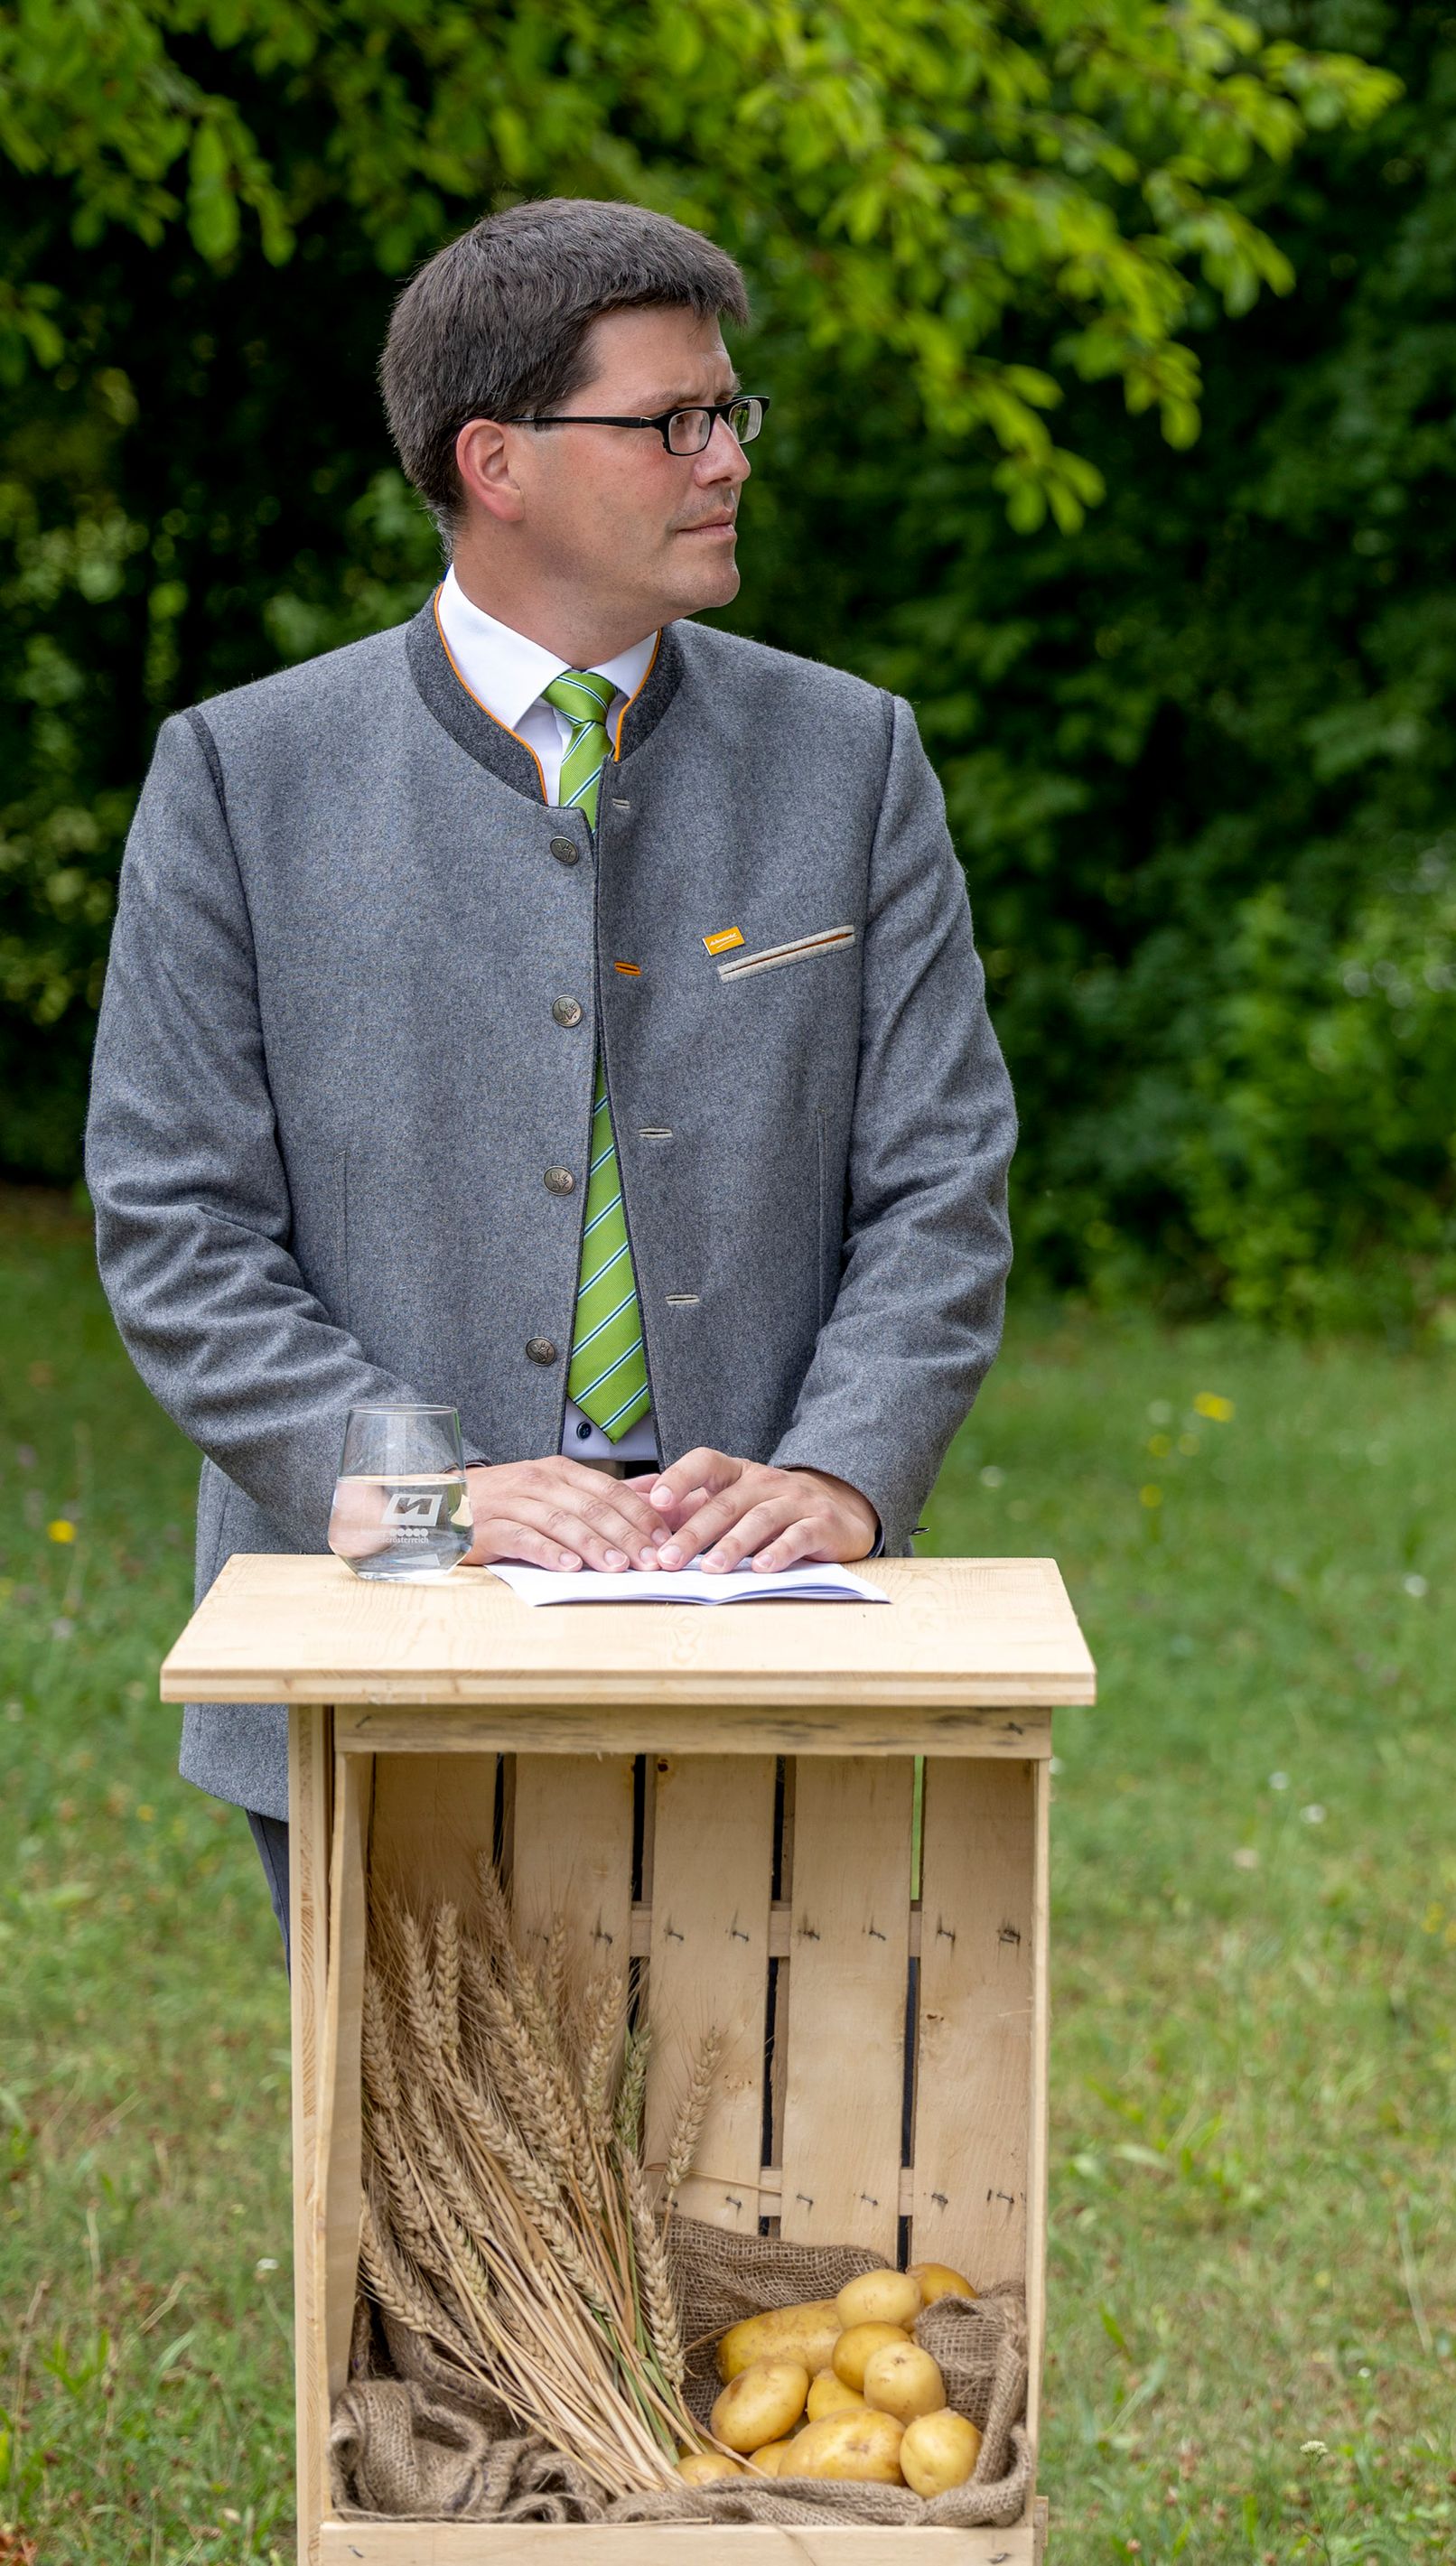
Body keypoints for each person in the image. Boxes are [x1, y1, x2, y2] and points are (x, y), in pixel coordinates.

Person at [86, 199, 1018, 1932]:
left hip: (756, 1628)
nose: (724, 456)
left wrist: (839, 1468)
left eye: (731, 412)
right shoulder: (240, 776)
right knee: (416, 2194)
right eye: (671, 420)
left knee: (757, 2186)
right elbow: (175, 1226)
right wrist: (422, 1487)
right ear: (495, 460)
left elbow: (939, 1186)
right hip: (375, 1635)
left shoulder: (854, 757)